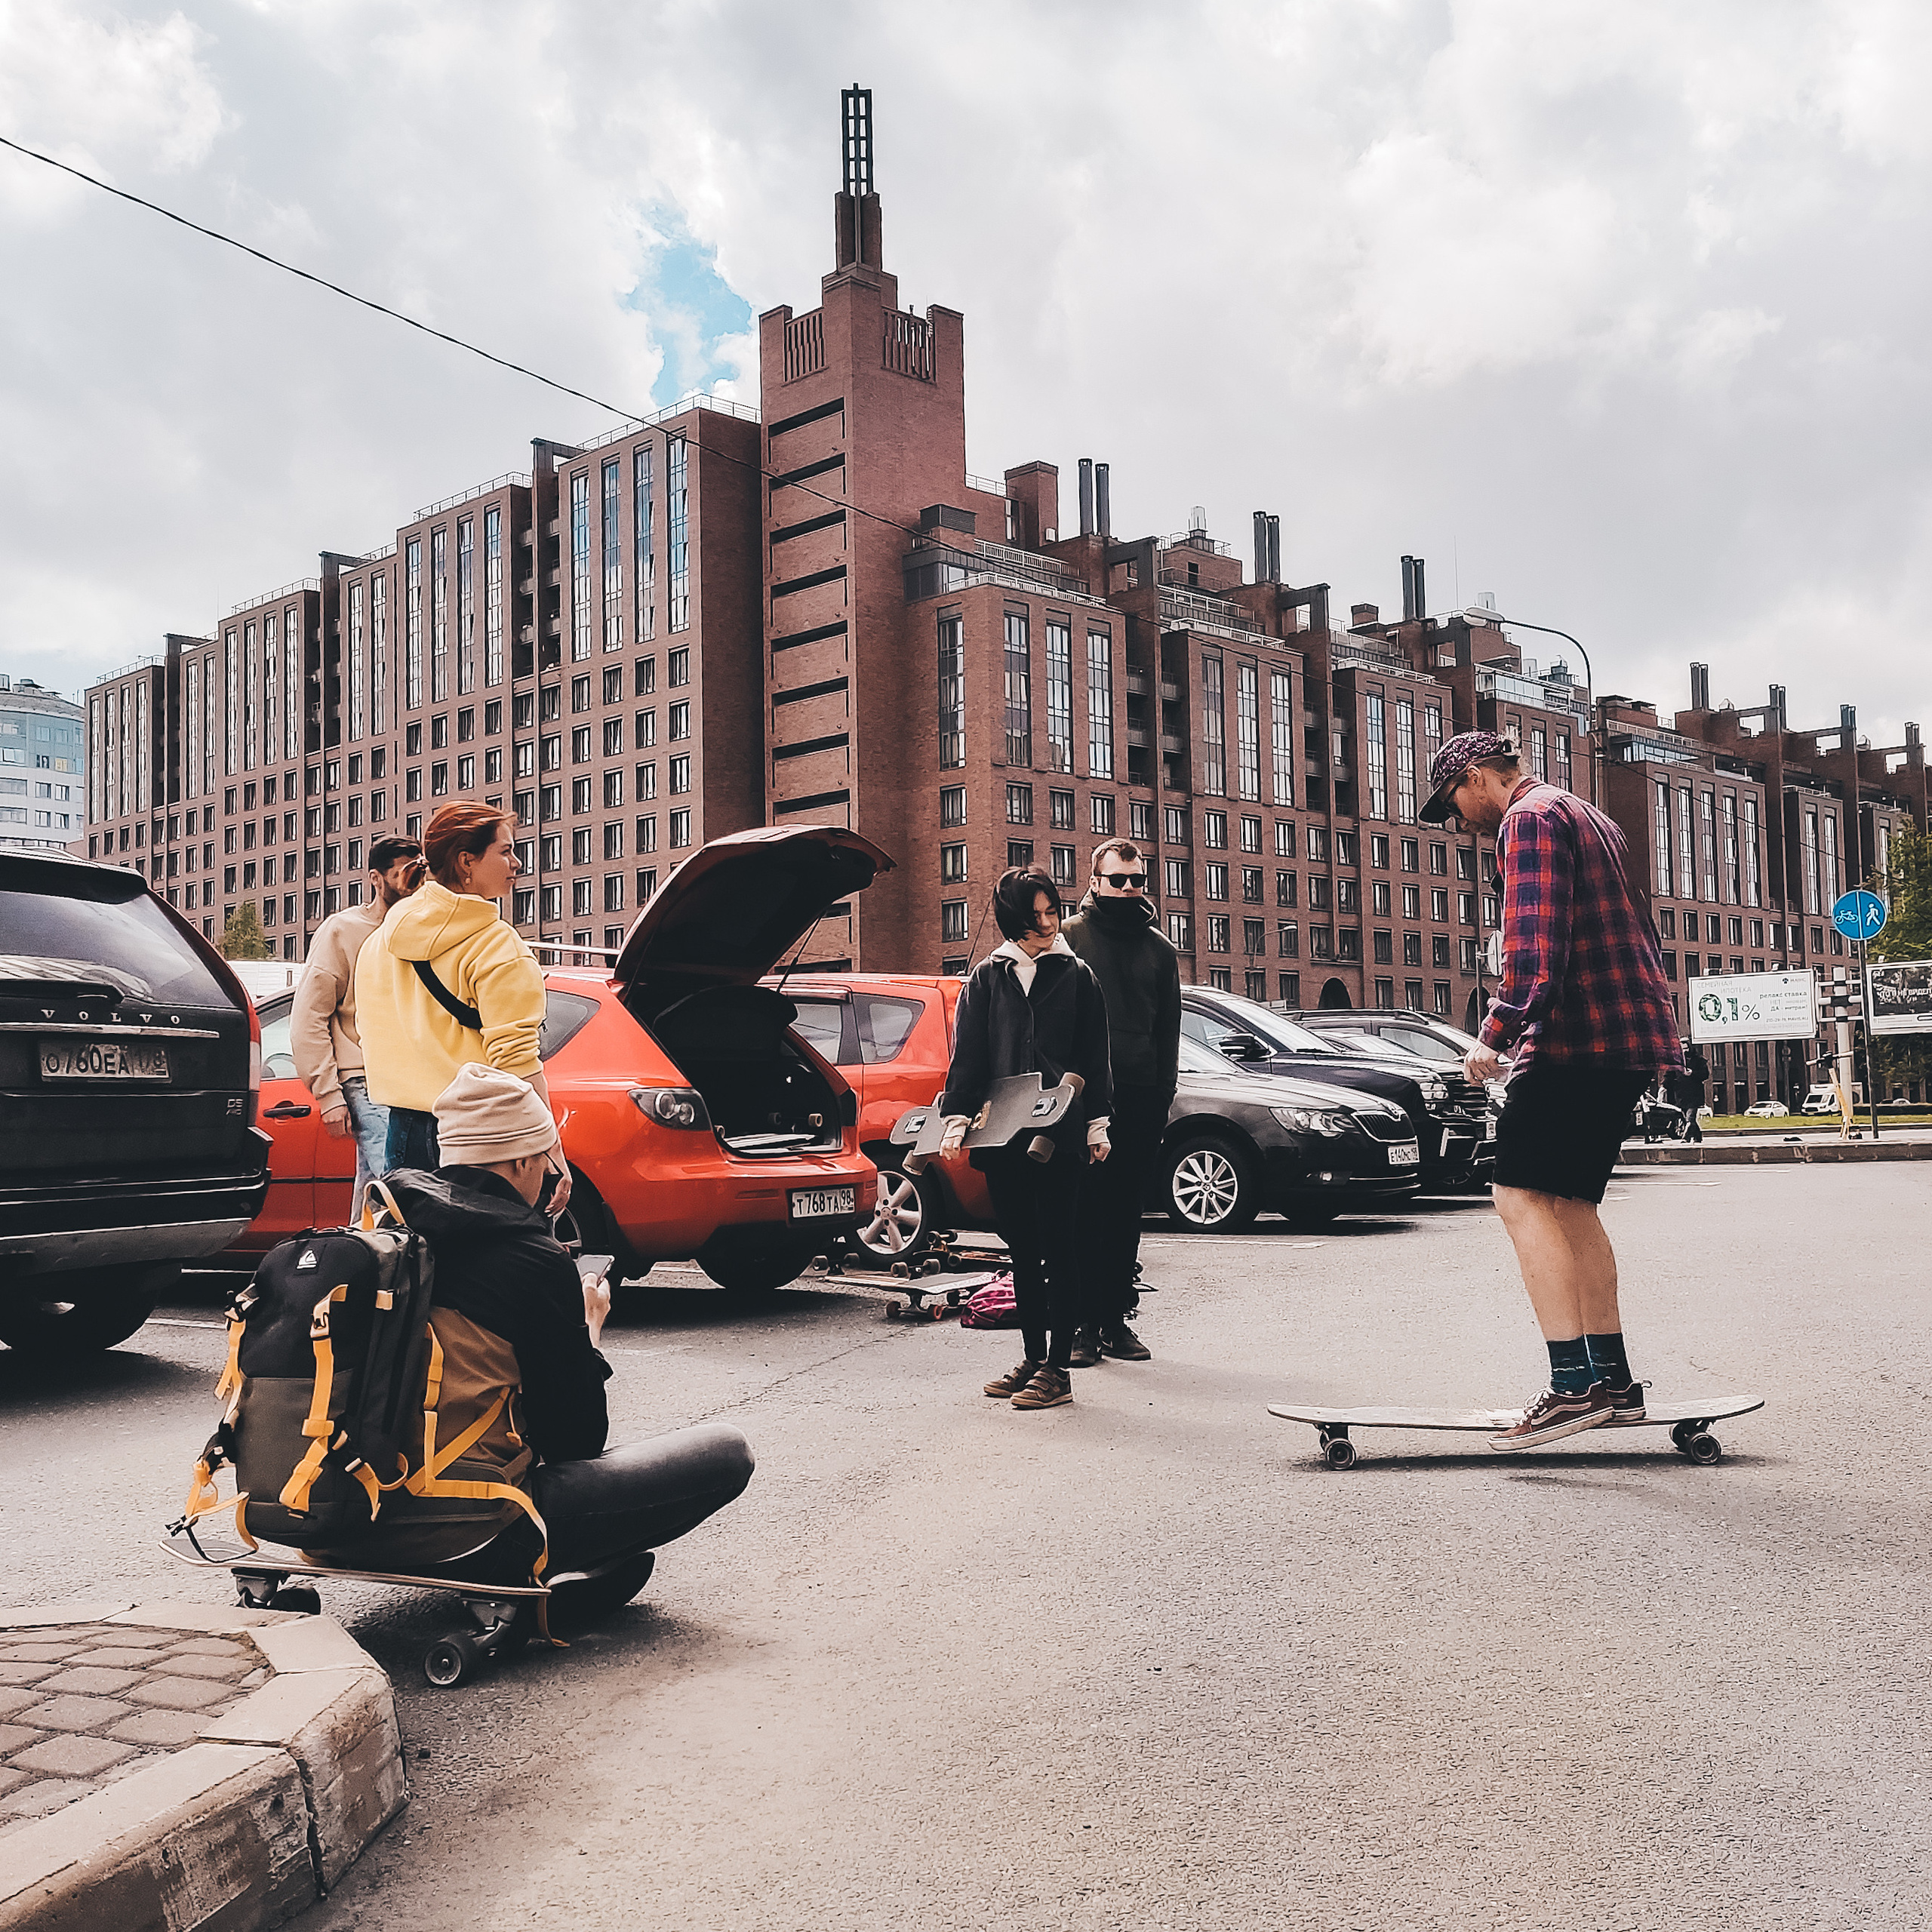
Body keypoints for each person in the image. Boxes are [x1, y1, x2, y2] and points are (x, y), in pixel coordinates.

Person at [311, 1062, 754, 1599]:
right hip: (461, 1532)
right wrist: (588, 1329)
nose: (547, 1174)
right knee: (728, 1454)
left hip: (324, 1520)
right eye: (547, 1159)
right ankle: (536, 1572)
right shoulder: (529, 1257)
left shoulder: (379, 1240)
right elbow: (576, 1442)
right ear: (521, 1158)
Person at [1419, 731, 1681, 1450]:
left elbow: (1535, 946)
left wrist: (1493, 1036)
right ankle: (1614, 1383)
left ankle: (1572, 1387)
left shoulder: (1527, 820)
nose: (1458, 820)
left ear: (1477, 776)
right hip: (1625, 1037)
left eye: (1454, 802)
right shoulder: (1585, 812)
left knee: (1518, 1195)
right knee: (1571, 1204)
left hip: (1578, 1038)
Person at [937, 867, 1112, 1411]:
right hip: (1001, 1136)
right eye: (1032, 915)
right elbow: (968, 1057)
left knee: (1059, 1250)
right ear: (1012, 920)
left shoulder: (1078, 975)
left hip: (1058, 1134)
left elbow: (1093, 1056)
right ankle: (1033, 1358)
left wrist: (1097, 1122)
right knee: (1021, 1251)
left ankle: (1059, 1368)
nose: (1045, 923)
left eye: (1050, 911)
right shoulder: (988, 978)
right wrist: (955, 1118)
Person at [355, 801, 570, 1216]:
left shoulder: (380, 941)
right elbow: (518, 1062)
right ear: (466, 861)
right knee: (499, 1271)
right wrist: (548, 1147)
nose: (518, 862)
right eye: (505, 851)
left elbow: (371, 1031)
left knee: (414, 1269)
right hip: (484, 1135)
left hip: (403, 1129)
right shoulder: (497, 947)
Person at [1061, 838, 1180, 1367]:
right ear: (1094, 883)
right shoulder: (1069, 938)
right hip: (1086, 1101)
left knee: (1126, 1214)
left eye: (1137, 880)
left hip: (1140, 1098)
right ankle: (1082, 1326)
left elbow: (1169, 1033)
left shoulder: (1160, 949)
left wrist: (1162, 1098)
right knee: (1084, 1211)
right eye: (1118, 881)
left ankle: (1114, 1320)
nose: (1129, 889)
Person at [289, 835, 423, 1216]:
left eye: (419, 872)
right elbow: (309, 1015)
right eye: (402, 873)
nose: (412, 882)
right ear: (376, 879)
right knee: (401, 1189)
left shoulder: (422, 931)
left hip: (412, 1081)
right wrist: (329, 1094)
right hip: (365, 1079)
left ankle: (365, 1265)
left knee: (375, 1192)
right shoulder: (342, 931)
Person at [1672, 1043, 1709, 1142]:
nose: (1684, 1051)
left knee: (1690, 1117)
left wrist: (1693, 1073)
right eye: (1682, 1049)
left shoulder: (1699, 1060)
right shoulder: (1676, 1061)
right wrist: (1664, 1087)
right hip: (1681, 1095)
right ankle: (1697, 1137)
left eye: (1686, 1048)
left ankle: (1686, 1138)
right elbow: (1670, 1075)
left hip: (1694, 1095)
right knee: (1687, 1118)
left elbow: (1705, 1074)